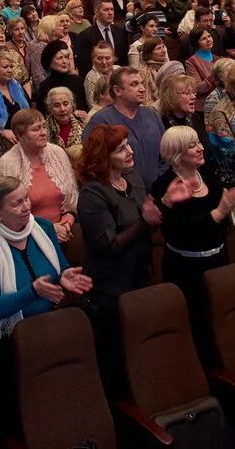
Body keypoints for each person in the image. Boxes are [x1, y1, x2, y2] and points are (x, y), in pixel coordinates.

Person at [0, 175, 92, 346]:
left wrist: (64, 275)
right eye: (17, 203)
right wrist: (32, 291)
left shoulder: (44, 228)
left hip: (52, 322)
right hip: (16, 339)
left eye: (26, 198)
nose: (27, 207)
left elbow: (61, 265)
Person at [74, 125, 160, 366]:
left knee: (142, 345)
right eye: (121, 149)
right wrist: (145, 221)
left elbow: (147, 223)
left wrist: (165, 207)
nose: (130, 151)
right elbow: (109, 245)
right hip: (110, 286)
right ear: (104, 157)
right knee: (118, 353)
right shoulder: (92, 194)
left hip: (140, 273)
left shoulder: (132, 177)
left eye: (128, 145)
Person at [151, 126, 235, 304]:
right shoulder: (164, 185)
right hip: (186, 270)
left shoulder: (208, 174)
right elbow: (183, 230)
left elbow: (225, 216)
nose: (201, 148)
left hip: (218, 261)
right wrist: (218, 213)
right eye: (193, 145)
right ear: (177, 154)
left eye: (199, 142)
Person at [0, 109, 79, 241]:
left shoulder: (57, 153)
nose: (44, 133)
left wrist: (68, 221)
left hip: (65, 231)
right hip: (26, 236)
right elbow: (6, 214)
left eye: (44, 126)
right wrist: (48, 229)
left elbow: (73, 197)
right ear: (20, 136)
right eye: (36, 129)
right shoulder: (7, 164)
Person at [85, 67, 168, 189]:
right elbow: (94, 164)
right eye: (134, 84)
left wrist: (160, 183)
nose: (142, 89)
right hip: (123, 195)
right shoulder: (100, 121)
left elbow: (165, 154)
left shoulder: (151, 114)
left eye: (142, 83)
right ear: (117, 90)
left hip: (156, 194)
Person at [75, 0, 128, 74]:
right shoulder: (85, 35)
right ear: (96, 12)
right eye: (106, 10)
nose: (110, 13)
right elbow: (84, 65)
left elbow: (124, 60)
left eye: (112, 9)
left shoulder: (120, 31)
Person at [33, 40, 87, 114]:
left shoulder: (77, 81)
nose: (65, 61)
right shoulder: (45, 86)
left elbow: (84, 108)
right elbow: (44, 114)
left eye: (66, 57)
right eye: (60, 58)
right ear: (50, 61)